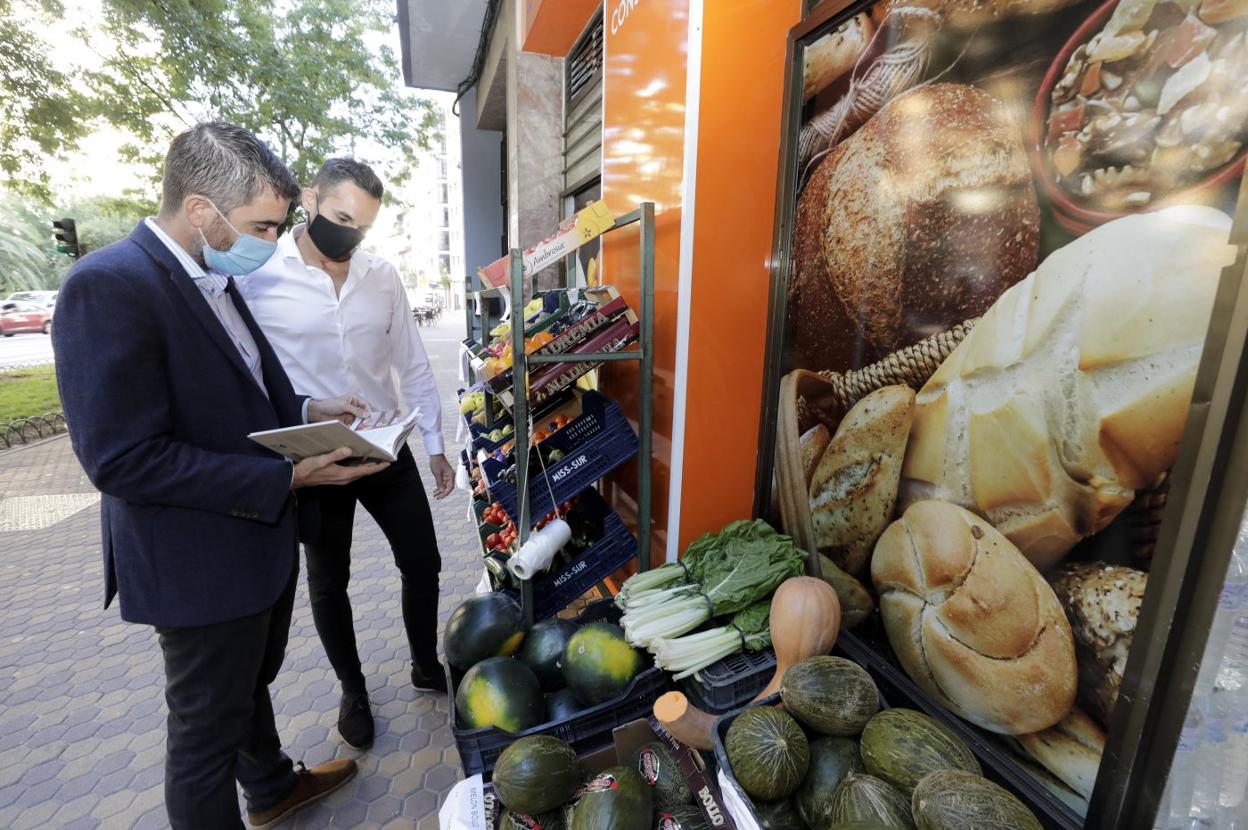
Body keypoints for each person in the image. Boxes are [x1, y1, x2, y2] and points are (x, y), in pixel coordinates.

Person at [53, 123, 390, 830]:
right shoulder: (109, 286)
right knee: (204, 738)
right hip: (195, 561)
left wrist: (308, 408)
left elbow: (234, 397)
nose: (271, 241)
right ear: (202, 210)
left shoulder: (214, 274)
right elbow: (120, 458)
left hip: (251, 549)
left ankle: (269, 788)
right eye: (262, 225)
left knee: (245, 690)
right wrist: (286, 483)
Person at [240, 157, 454, 750]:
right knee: (330, 580)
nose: (350, 235)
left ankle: (424, 664)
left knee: (424, 562)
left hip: (386, 446)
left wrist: (436, 446)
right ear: (310, 198)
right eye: (340, 218)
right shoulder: (259, 273)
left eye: (362, 227)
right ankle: (352, 688)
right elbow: (250, 375)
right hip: (316, 457)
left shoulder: (382, 276)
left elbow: (411, 362)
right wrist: (306, 410)